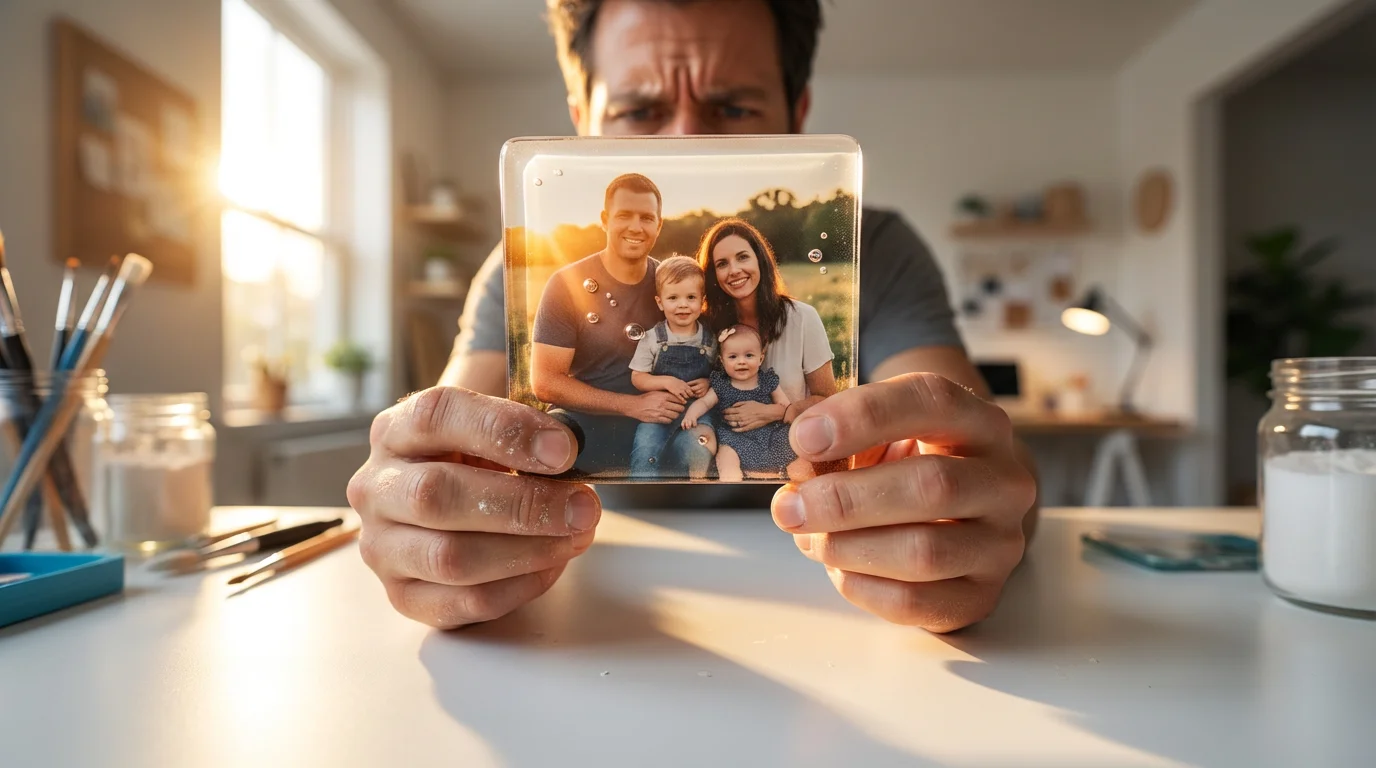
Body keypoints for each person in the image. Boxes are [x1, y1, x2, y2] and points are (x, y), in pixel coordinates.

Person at [348, 0, 1040, 634]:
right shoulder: (534, 267)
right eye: (639, 112)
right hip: (596, 601)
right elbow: (447, 440)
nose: (683, 140)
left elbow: (961, 439)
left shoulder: (876, 251)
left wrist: (965, 502)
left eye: (733, 109)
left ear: (797, 115)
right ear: (581, 119)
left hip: (828, 608)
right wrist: (421, 500)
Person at [528, 173, 714, 477]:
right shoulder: (567, 284)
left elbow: (706, 349)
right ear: (605, 219)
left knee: (700, 448)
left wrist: (706, 382)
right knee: (547, 437)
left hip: (661, 425)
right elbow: (546, 382)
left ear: (659, 224)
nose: (636, 227)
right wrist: (630, 405)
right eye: (624, 216)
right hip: (585, 424)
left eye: (646, 217)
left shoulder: (673, 287)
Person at [699, 218, 835, 433]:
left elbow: (828, 400)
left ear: (760, 260)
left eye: (742, 257)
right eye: (722, 264)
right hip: (728, 452)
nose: (734, 270)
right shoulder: (706, 326)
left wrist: (775, 412)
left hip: (793, 446)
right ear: (713, 275)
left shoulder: (803, 318)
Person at [681, 324, 810, 481]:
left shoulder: (767, 381)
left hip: (769, 434)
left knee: (797, 453)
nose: (741, 362)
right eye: (733, 357)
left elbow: (786, 407)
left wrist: (775, 412)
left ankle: (797, 483)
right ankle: (733, 487)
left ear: (760, 358)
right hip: (734, 437)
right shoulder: (721, 384)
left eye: (749, 356)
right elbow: (705, 403)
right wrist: (691, 415)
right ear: (722, 361)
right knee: (727, 458)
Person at [629, 255, 716, 479]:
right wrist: (666, 381)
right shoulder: (652, 338)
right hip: (658, 412)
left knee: (698, 449)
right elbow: (638, 377)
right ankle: (642, 493)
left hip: (699, 413)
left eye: (690, 297)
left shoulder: (710, 340)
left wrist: (708, 383)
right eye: (673, 298)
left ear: (702, 301)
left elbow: (721, 374)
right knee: (646, 449)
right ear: (660, 302)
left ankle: (691, 493)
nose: (683, 305)